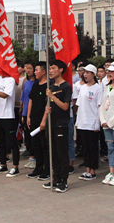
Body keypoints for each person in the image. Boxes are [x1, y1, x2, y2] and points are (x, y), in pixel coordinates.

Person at [42, 60, 72, 192]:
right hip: (51, 123)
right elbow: (47, 105)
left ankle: (63, 181)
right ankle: (55, 178)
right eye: (50, 68)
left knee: (62, 153)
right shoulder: (51, 86)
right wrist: (44, 120)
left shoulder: (66, 87)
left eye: (53, 68)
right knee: (52, 153)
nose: (51, 71)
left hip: (61, 124)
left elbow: (65, 106)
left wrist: (53, 97)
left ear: (60, 70)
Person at [76, 64, 103, 181]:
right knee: (85, 147)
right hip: (82, 122)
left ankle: (93, 170)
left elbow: (99, 107)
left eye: (88, 72)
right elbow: (79, 106)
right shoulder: (83, 88)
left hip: (92, 123)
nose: (85, 74)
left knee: (93, 148)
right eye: (84, 72)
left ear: (93, 74)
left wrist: (97, 123)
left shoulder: (98, 88)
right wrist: (77, 122)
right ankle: (87, 170)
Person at [26, 61, 50, 180]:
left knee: (44, 144)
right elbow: (31, 100)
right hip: (34, 119)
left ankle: (47, 169)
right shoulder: (35, 85)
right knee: (35, 144)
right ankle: (38, 167)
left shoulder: (49, 86)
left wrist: (44, 120)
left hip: (43, 120)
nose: (35, 72)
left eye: (36, 70)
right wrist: (28, 116)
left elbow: (48, 104)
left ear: (43, 71)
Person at [20, 61, 36, 166]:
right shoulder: (26, 82)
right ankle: (31, 156)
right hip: (25, 112)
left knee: (34, 136)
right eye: (26, 68)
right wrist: (22, 112)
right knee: (27, 136)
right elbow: (23, 98)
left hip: (33, 113)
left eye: (30, 68)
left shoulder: (37, 83)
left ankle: (35, 158)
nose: (27, 70)